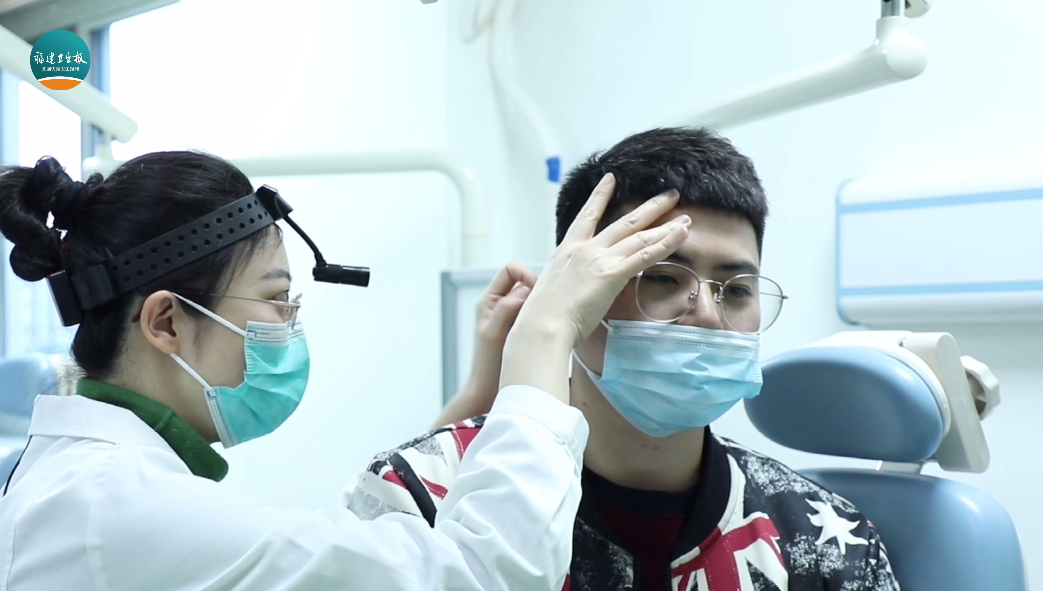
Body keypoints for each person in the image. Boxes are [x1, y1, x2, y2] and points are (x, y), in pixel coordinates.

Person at [0, 150, 693, 590]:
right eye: (277, 301)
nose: (290, 327)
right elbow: (480, 575)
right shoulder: (121, 506)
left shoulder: (90, 484)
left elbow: (349, 562)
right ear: (166, 322)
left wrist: (479, 400)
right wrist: (545, 336)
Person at [347, 127, 902, 591]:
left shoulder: (821, 536)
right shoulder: (418, 495)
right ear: (572, 291)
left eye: (736, 289)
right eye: (661, 277)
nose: (709, 314)